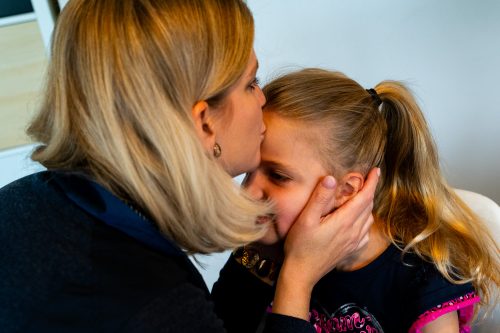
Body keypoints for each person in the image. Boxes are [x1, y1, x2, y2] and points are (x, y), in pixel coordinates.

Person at [0, 1, 378, 332]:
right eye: (251, 83)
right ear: (204, 123)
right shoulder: (152, 304)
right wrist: (297, 280)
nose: (262, 99)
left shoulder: (21, 201)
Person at [238, 68, 500, 332]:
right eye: (250, 169)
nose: (248, 192)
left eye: (278, 176)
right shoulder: (268, 254)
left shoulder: (421, 277)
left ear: (347, 190)